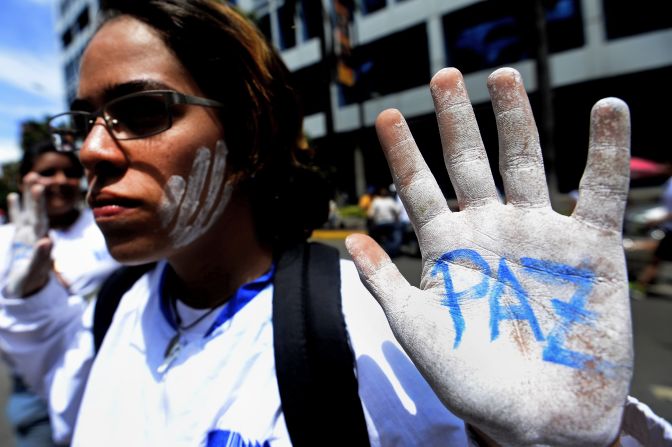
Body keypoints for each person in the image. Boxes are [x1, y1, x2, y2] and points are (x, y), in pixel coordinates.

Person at [0, 1, 669, 446]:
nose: (91, 149)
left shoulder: (372, 324)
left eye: (142, 110)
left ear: (249, 135)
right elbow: (65, 396)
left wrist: (571, 438)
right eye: (85, 119)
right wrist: (30, 299)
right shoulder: (118, 304)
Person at [0, 141, 119, 445]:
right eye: (47, 172)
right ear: (23, 179)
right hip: (32, 388)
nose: (59, 181)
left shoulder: (105, 226)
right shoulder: (7, 240)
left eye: (69, 172)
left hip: (103, 376)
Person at [632, 164, 672, 298]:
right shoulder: (668, 182)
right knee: (656, 259)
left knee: (656, 259)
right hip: (668, 228)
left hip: (668, 226)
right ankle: (640, 286)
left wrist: (658, 221)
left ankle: (640, 286)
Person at [367, 186, 401, 257]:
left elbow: (370, 214)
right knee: (391, 238)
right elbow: (397, 212)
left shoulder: (376, 201)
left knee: (377, 238)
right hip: (389, 223)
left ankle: (378, 252)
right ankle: (390, 251)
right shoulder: (390, 200)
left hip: (379, 224)